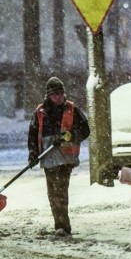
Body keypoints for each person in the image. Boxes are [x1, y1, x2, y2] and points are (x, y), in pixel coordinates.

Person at [27, 77, 90, 238]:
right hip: (48, 158)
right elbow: (33, 135)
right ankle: (60, 224)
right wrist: (33, 154)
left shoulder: (72, 109)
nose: (59, 97)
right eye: (55, 95)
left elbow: (85, 130)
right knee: (53, 193)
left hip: (66, 159)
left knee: (61, 191)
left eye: (61, 94)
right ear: (48, 95)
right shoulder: (40, 112)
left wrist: (71, 135)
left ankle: (63, 226)